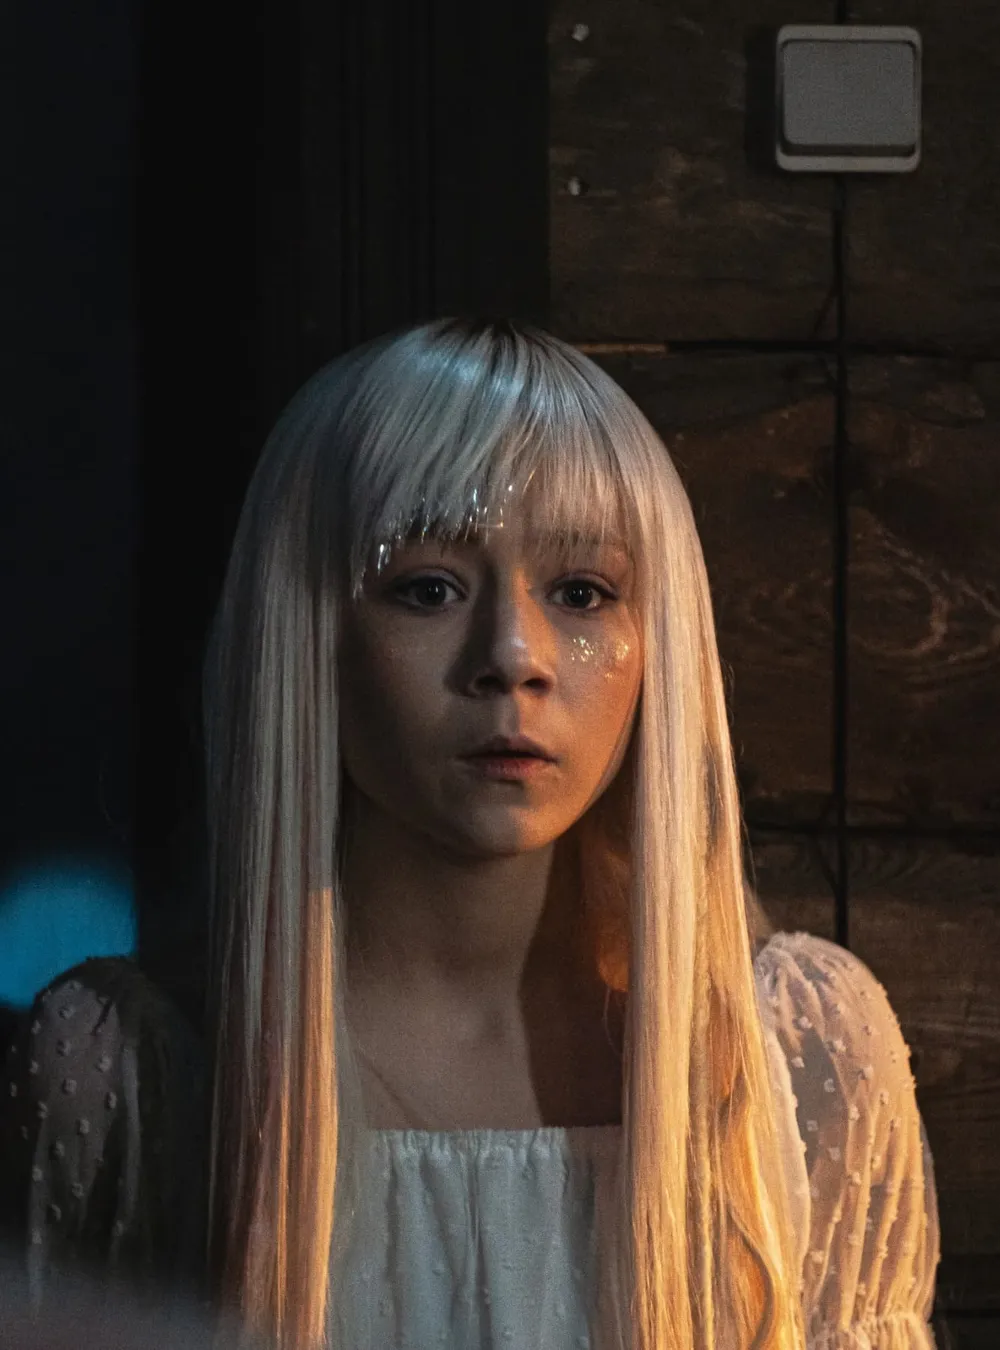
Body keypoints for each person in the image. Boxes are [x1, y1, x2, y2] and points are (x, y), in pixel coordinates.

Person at [0, 317, 940, 1350]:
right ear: (308, 632)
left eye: (582, 592)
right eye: (428, 588)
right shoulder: (130, 1077)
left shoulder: (798, 1058)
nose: (514, 656)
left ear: (656, 640)